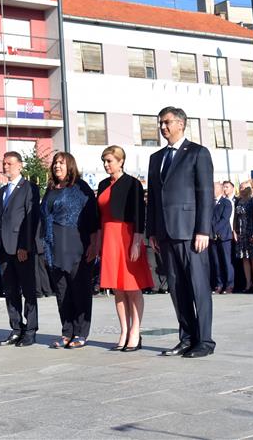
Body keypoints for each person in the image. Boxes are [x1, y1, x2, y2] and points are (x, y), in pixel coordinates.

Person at [147, 106, 215, 359]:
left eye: (166, 122)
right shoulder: (157, 158)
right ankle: (186, 338)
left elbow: (205, 193)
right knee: (177, 289)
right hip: (165, 232)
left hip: (190, 232)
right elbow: (153, 197)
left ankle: (205, 340)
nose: (162, 127)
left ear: (181, 124)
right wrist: (152, 230)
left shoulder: (197, 153)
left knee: (198, 287)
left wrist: (203, 229)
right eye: (160, 123)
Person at [96, 145, 152, 352]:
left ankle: (135, 331)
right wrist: (99, 242)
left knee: (132, 286)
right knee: (118, 288)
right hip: (109, 237)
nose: (106, 165)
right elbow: (99, 217)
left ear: (120, 161)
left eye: (109, 161)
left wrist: (137, 240)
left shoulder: (133, 184)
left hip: (127, 235)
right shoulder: (102, 184)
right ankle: (124, 330)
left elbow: (139, 213)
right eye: (104, 161)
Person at [41, 152, 98, 350]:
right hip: (53, 246)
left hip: (76, 246)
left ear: (70, 166)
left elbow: (93, 219)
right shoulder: (50, 189)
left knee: (80, 290)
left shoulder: (80, 188)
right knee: (62, 292)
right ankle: (67, 332)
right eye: (55, 163)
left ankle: (81, 332)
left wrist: (94, 244)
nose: (57, 166)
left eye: (61, 163)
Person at [0, 151, 40, 347]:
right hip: (4, 248)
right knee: (10, 291)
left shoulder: (29, 188)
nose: (5, 167)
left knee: (28, 290)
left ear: (20, 165)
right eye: (3, 163)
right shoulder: (2, 191)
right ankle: (16, 328)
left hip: (21, 248)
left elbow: (30, 218)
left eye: (9, 163)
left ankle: (30, 330)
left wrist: (25, 245)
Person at [234, 182, 253, 293]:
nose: (242, 189)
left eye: (245, 187)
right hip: (241, 232)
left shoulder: (252, 201)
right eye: (241, 187)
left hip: (250, 231)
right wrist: (235, 231)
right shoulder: (239, 201)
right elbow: (236, 217)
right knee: (244, 258)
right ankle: (248, 282)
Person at [210, 182, 234, 294]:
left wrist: (215, 230)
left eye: (214, 188)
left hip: (223, 236)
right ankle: (219, 284)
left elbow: (225, 219)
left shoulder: (226, 202)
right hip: (212, 237)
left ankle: (229, 285)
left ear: (220, 189)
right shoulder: (210, 203)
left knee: (226, 261)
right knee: (216, 262)